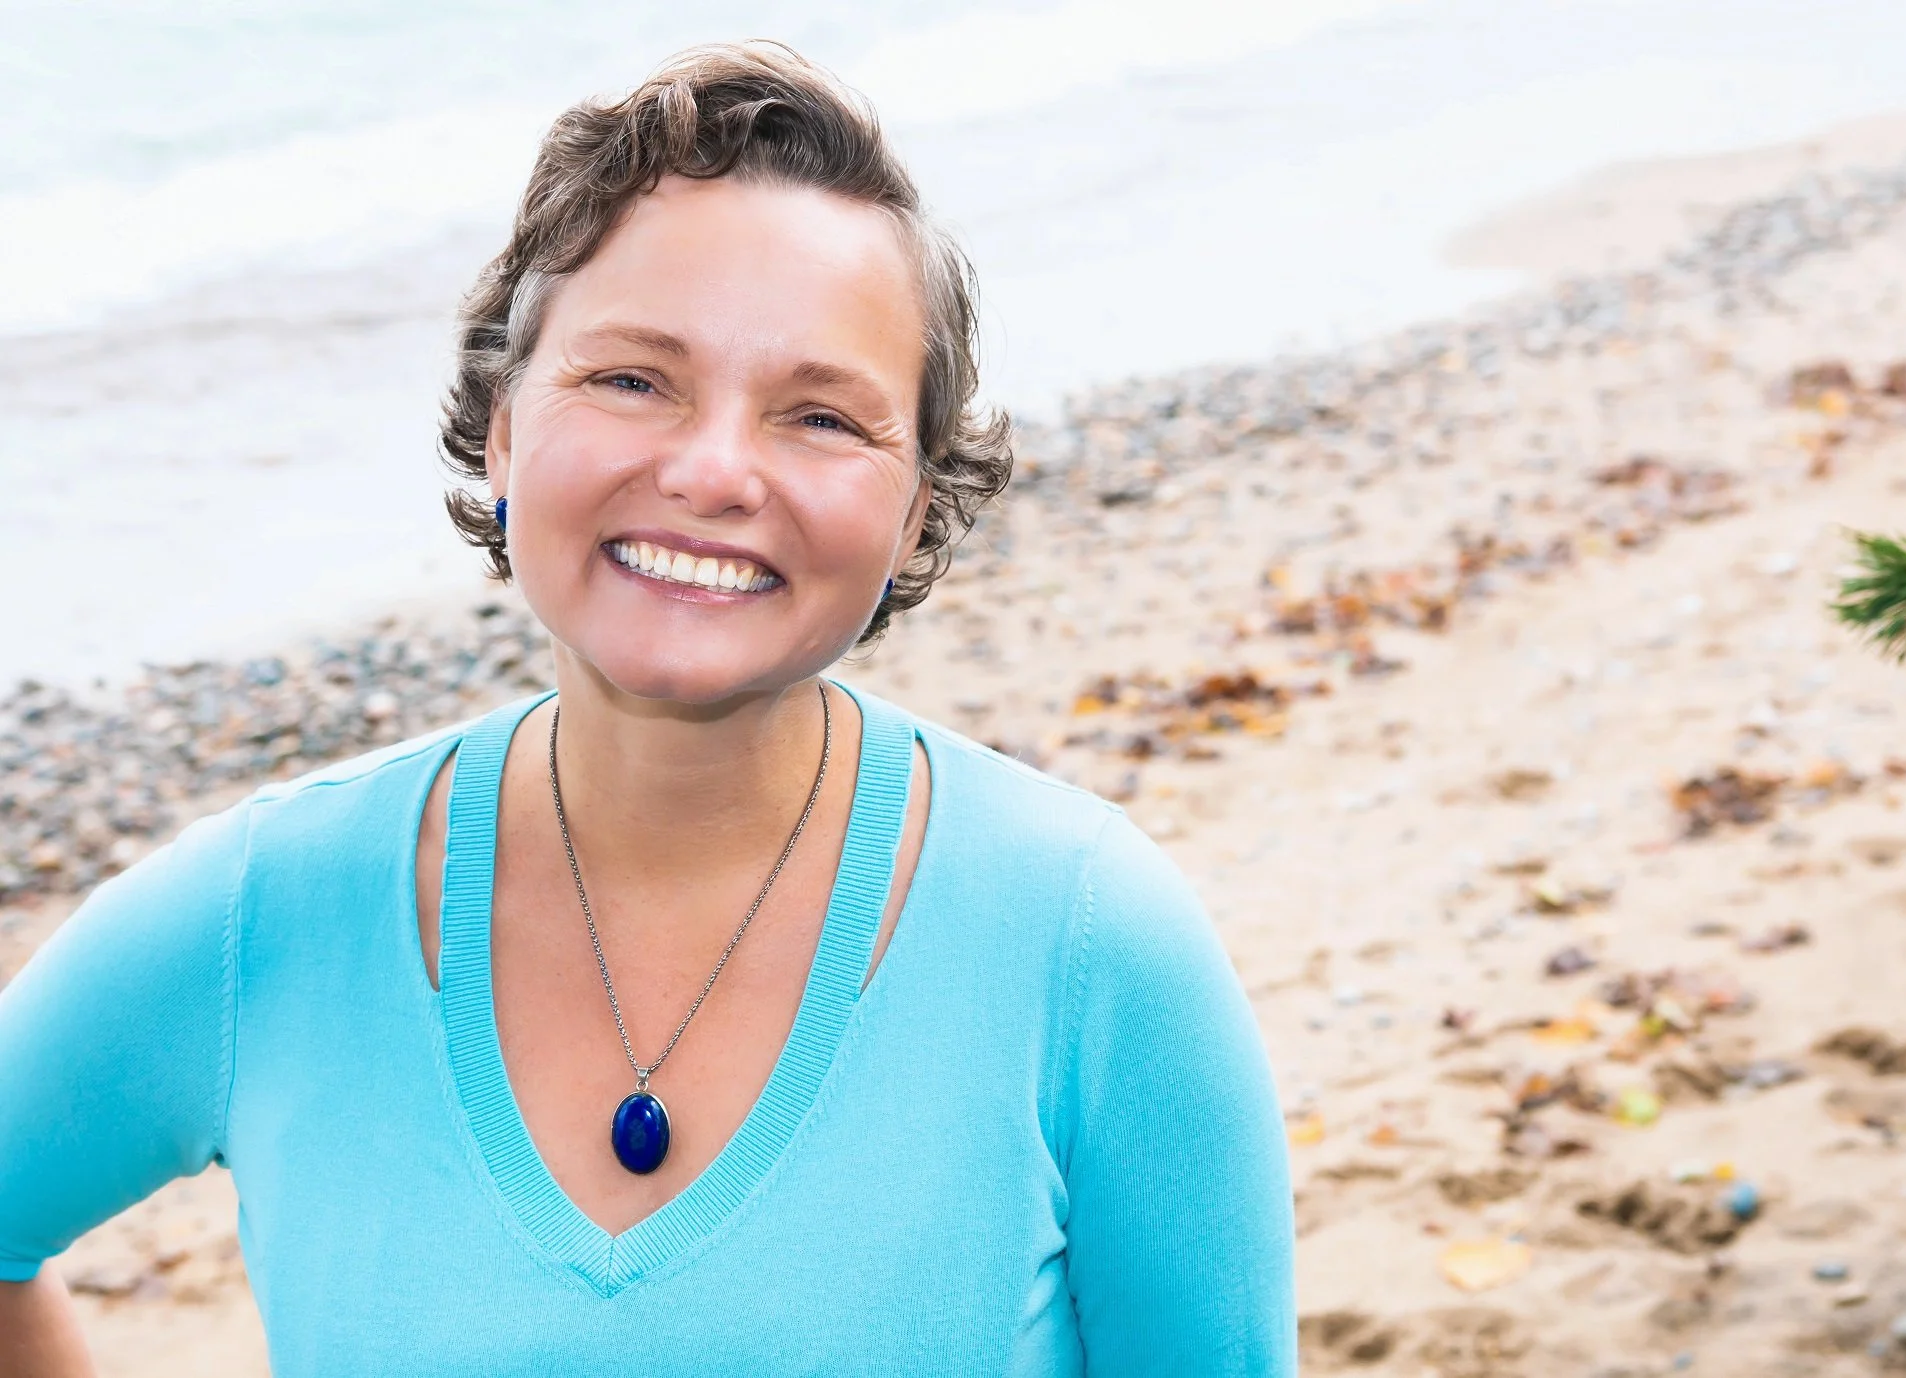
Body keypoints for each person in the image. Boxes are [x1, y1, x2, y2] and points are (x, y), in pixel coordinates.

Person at [0, 42, 1293, 1375]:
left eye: (820, 415)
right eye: (633, 379)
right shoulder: (267, 912)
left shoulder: (1091, 942)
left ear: (917, 505)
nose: (714, 470)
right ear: (504, 429)